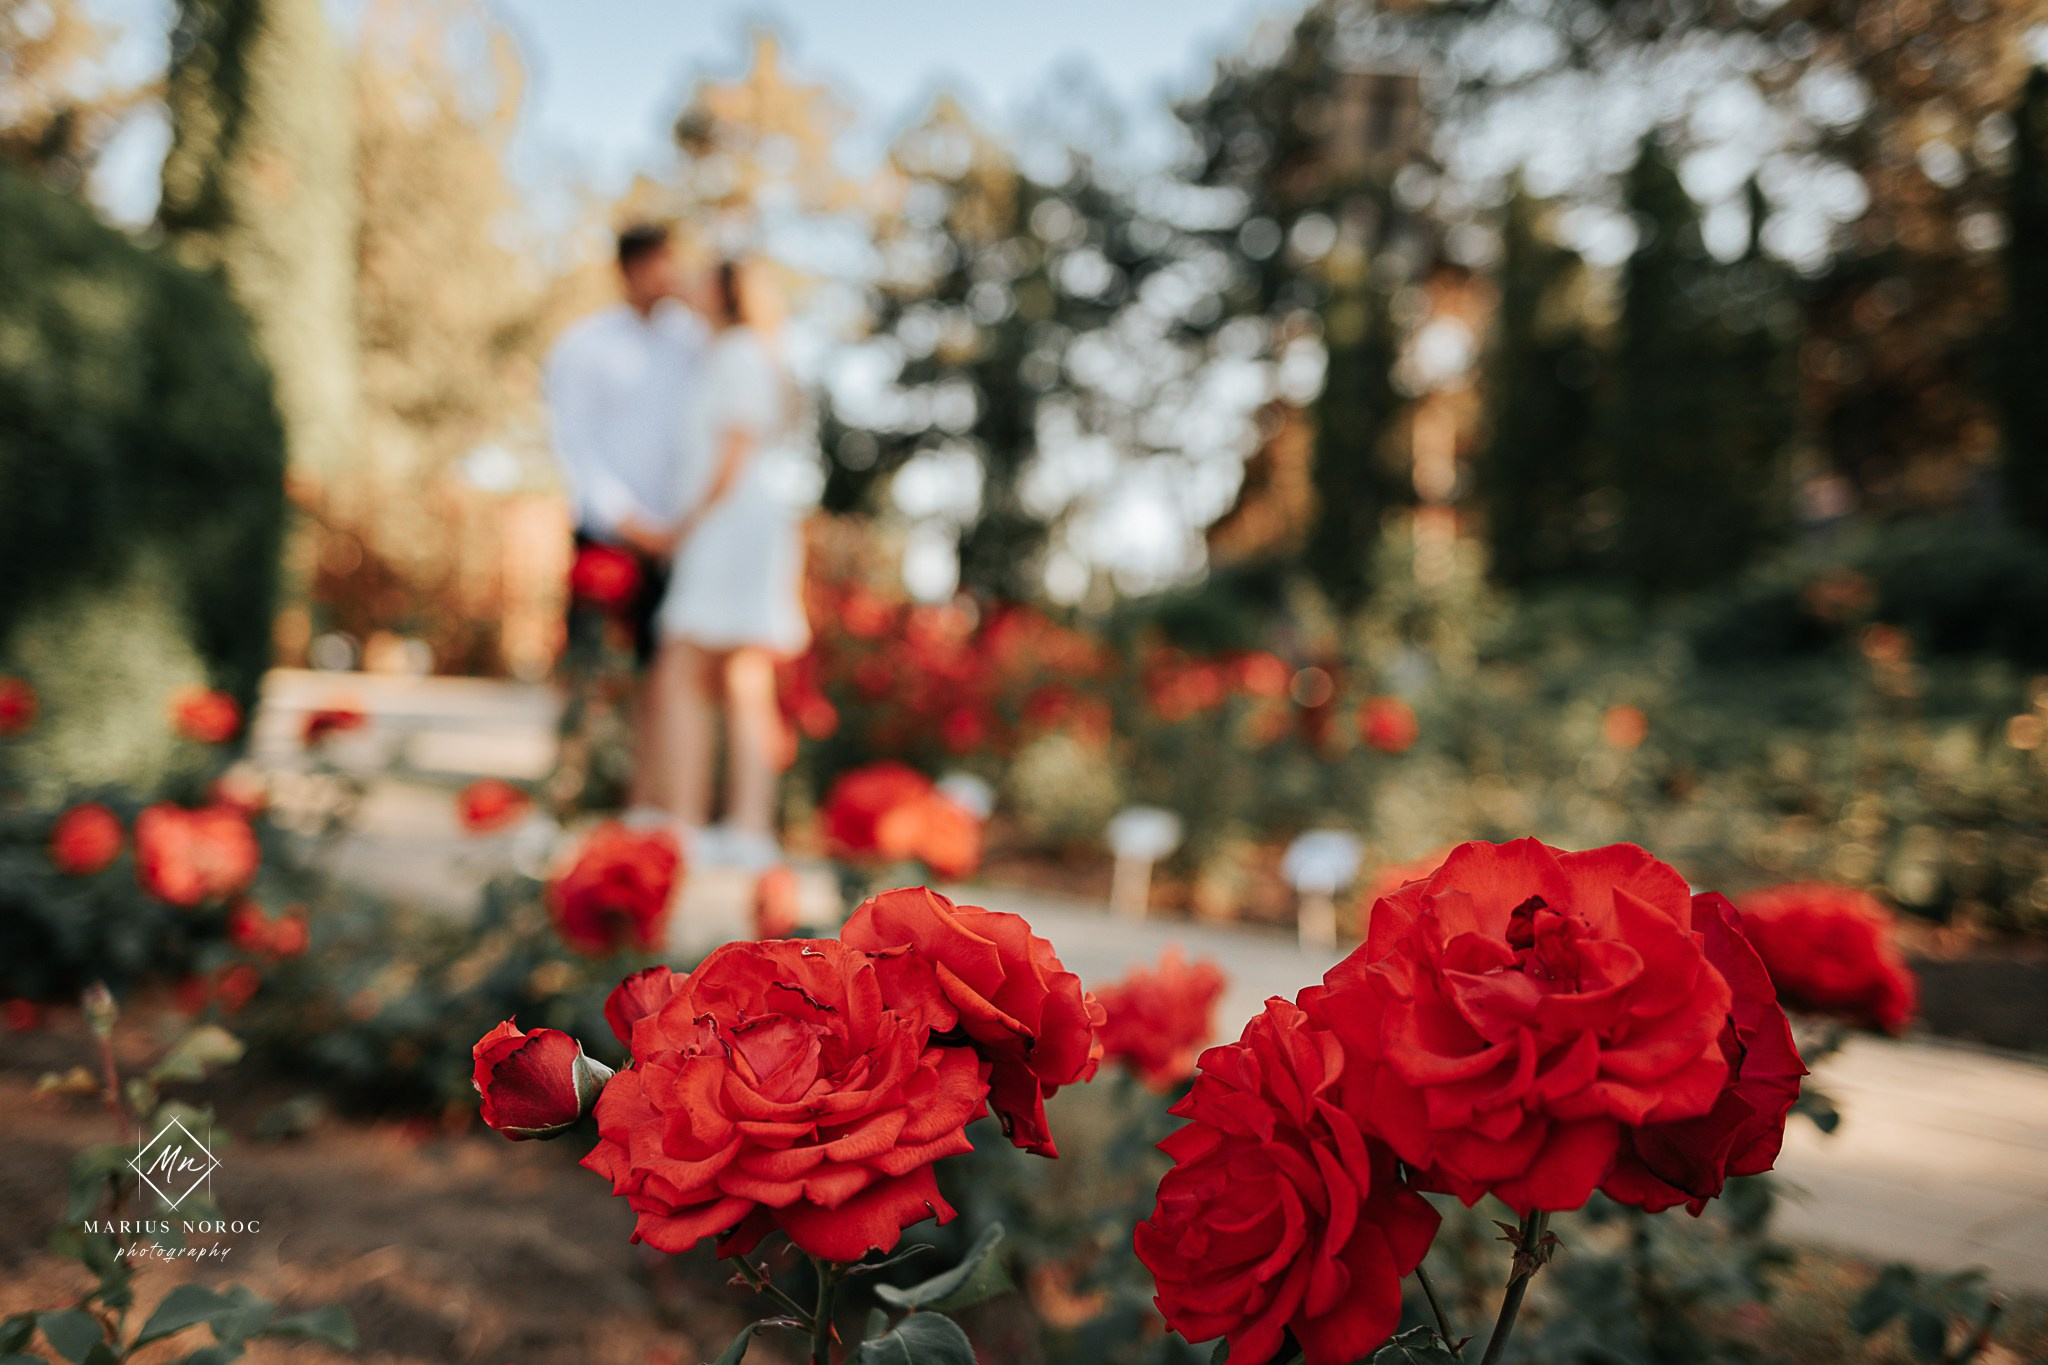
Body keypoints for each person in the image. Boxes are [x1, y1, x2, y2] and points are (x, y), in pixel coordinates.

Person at [648, 259, 809, 864]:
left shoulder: (740, 353)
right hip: (740, 522)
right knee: (742, 675)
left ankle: (690, 821)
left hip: (729, 524)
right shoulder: (738, 352)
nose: (687, 284)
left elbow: (734, 452)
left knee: (689, 667)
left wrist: (684, 526)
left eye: (699, 277)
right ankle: (745, 829)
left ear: (724, 291)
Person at [543, 224, 705, 813]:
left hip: (673, 541)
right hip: (608, 536)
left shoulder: (689, 343)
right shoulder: (584, 345)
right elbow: (574, 446)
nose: (671, 276)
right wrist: (630, 522)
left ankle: (641, 805)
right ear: (631, 269)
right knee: (587, 672)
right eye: (661, 263)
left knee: (658, 678)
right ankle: (563, 795)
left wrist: (675, 530)